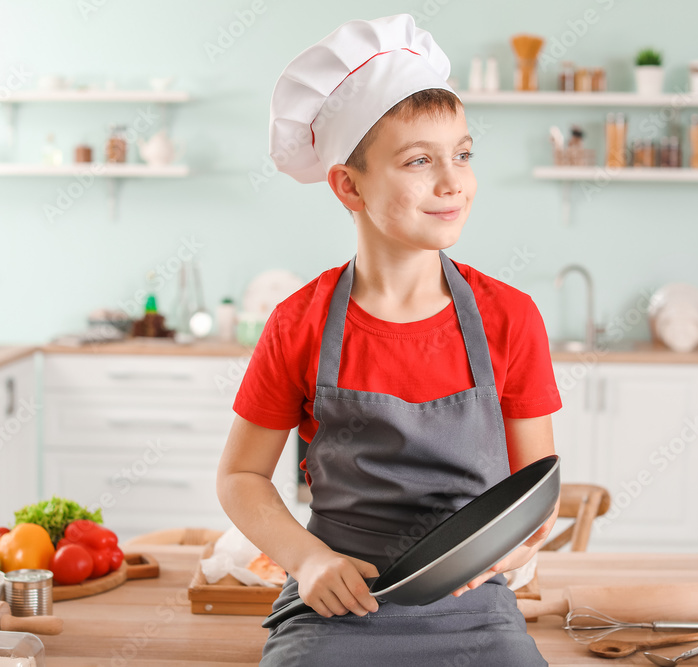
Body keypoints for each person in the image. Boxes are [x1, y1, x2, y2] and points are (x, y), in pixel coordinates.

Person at [216, 14, 561, 666]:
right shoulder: (300, 321)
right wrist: (307, 559)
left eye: (462, 154)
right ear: (349, 185)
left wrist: (509, 554)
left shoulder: (510, 317)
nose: (453, 181)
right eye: (418, 161)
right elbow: (240, 475)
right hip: (337, 600)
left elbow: (536, 493)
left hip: (476, 602)